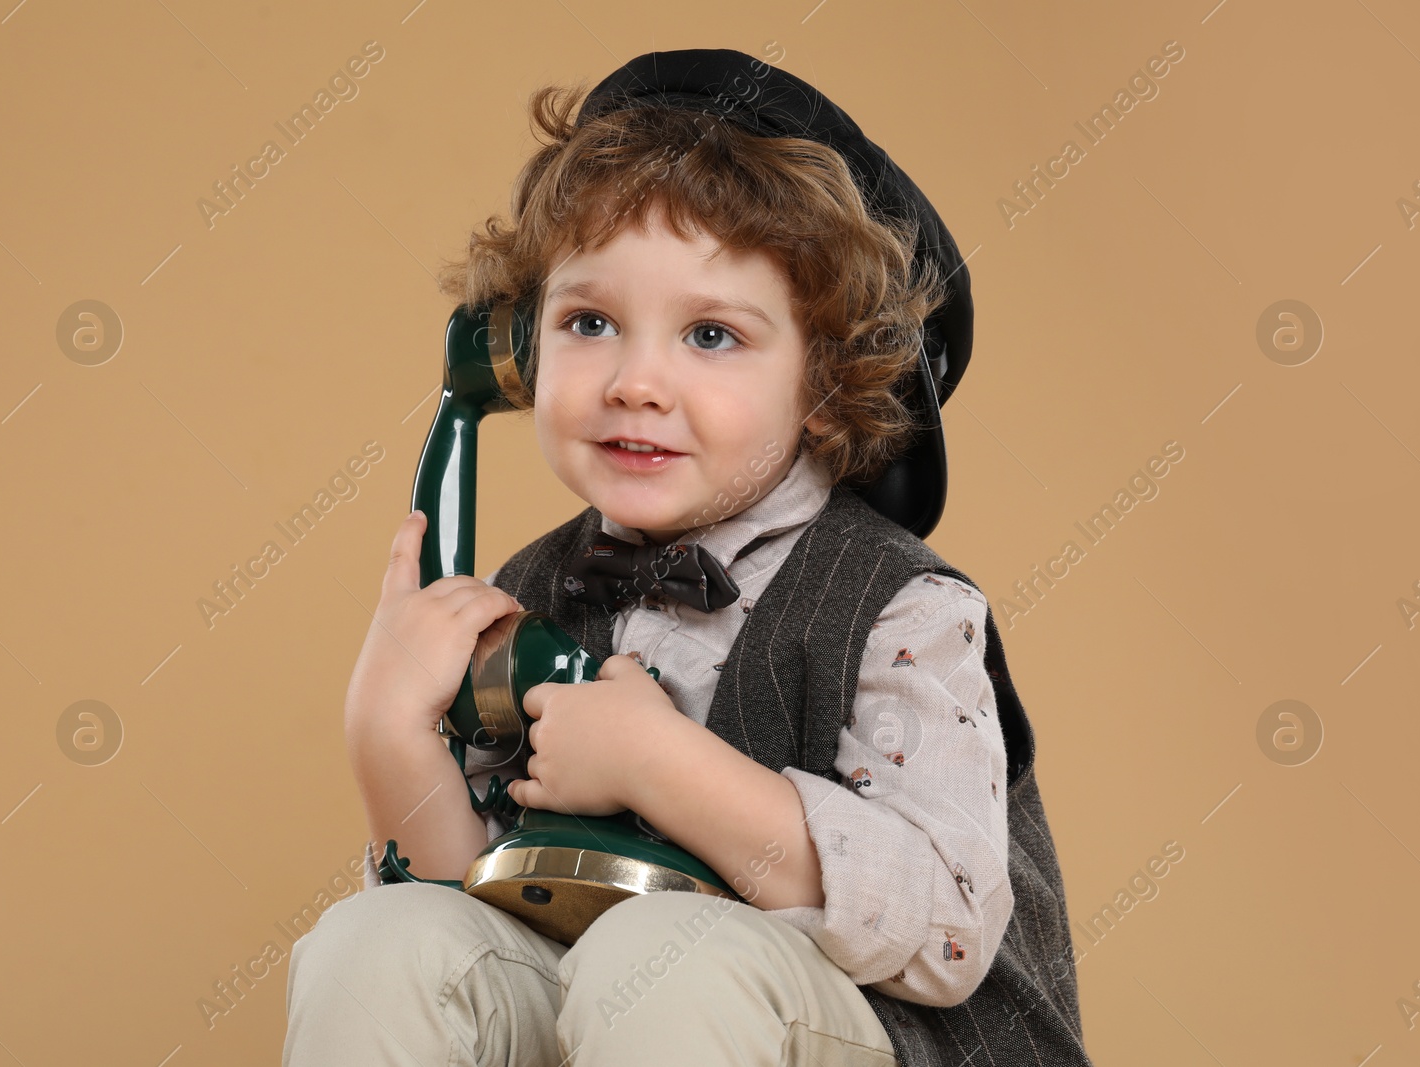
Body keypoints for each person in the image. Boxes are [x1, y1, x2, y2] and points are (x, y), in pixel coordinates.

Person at [284, 49, 1092, 1067]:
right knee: (383, 942)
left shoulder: (897, 609)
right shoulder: (531, 595)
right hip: (615, 1017)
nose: (634, 381)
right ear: (516, 349)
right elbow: (470, 901)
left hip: (871, 1035)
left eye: (710, 334)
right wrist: (391, 734)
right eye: (589, 322)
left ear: (826, 381)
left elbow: (946, 929)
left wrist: (659, 764)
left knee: (665, 954)